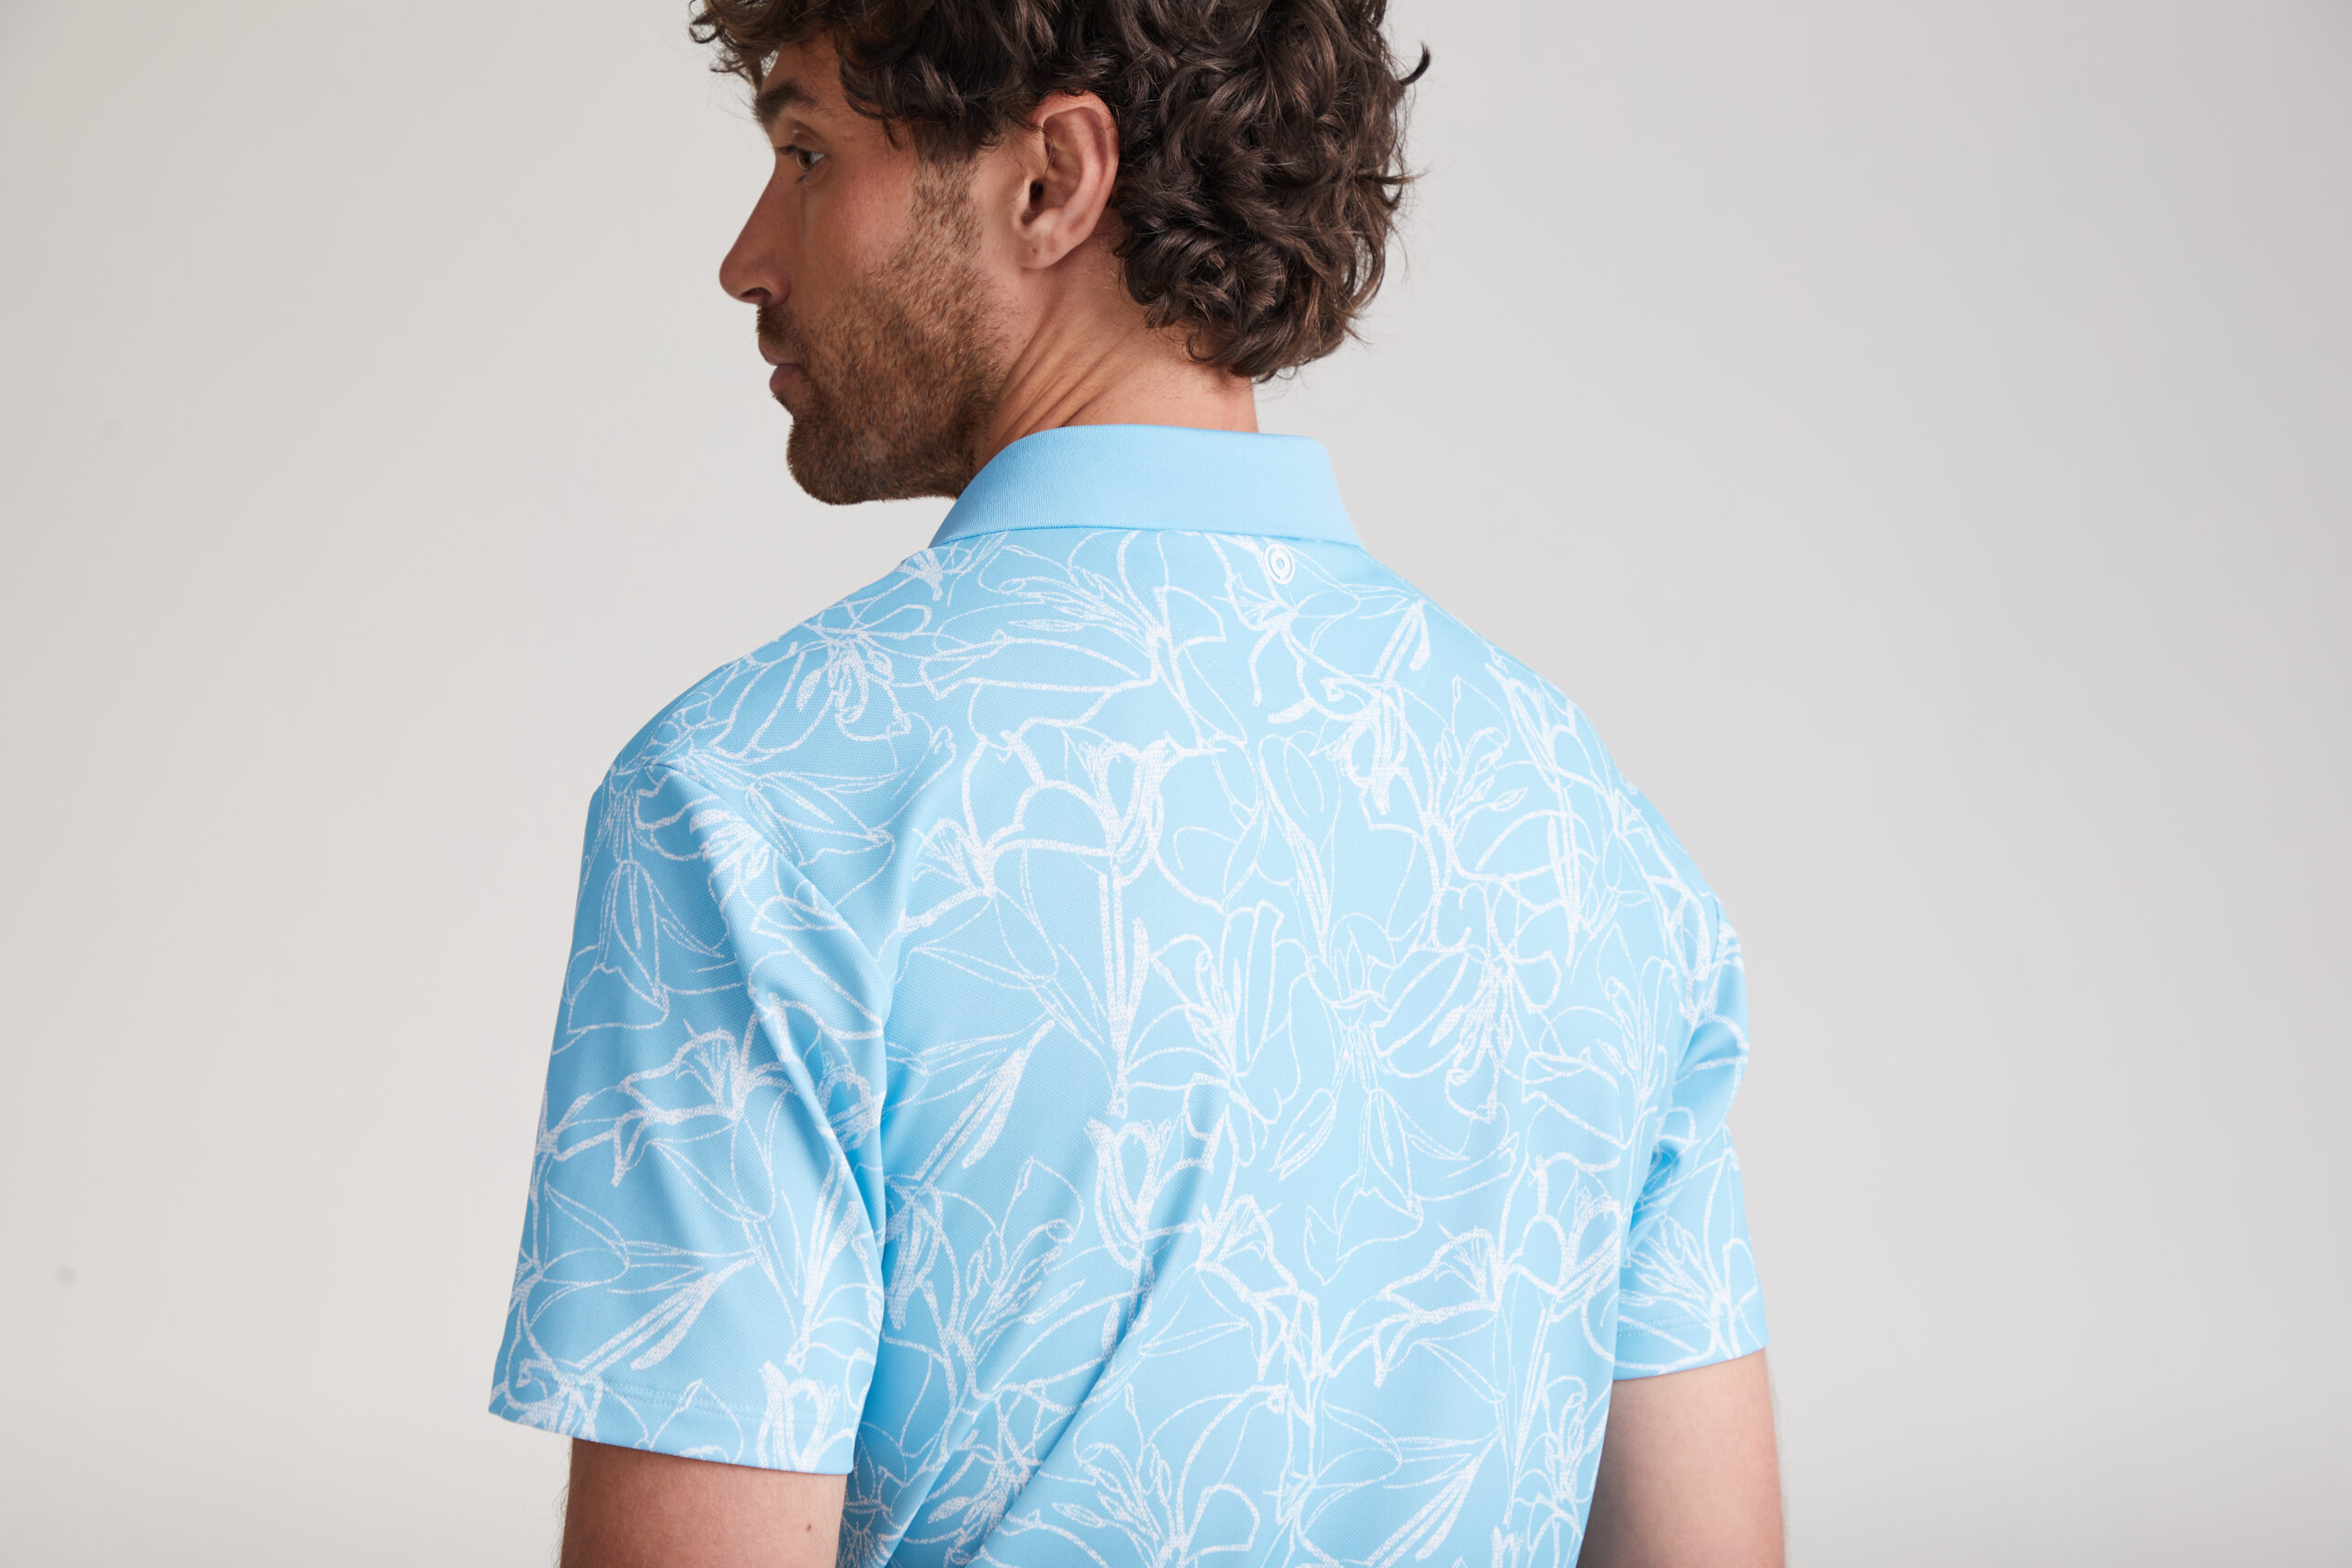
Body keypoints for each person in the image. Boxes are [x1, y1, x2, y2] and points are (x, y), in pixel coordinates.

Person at [486, 2, 1782, 1562]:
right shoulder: (1585, 828)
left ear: (1053, 180)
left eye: (808, 152)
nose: (749, 257)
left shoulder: (754, 806)